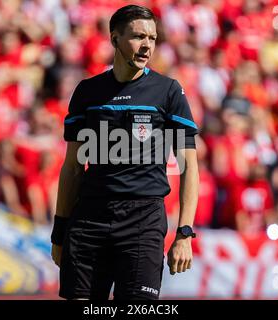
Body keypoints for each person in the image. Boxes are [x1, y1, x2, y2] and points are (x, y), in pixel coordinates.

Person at [50, 5, 199, 300]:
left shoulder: (168, 91)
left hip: (142, 221)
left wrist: (184, 233)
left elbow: (189, 167)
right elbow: (72, 168)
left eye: (153, 38)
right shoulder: (87, 92)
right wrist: (59, 232)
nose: (147, 46)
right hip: (90, 218)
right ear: (114, 38)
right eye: (138, 37)